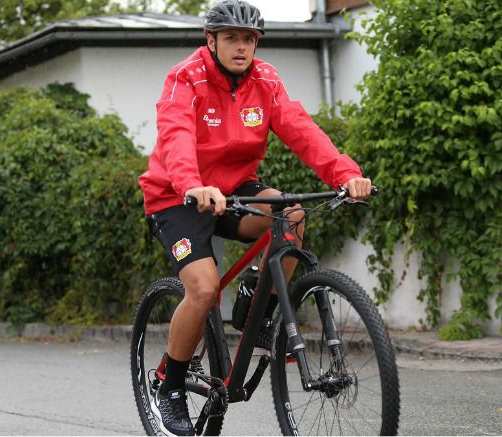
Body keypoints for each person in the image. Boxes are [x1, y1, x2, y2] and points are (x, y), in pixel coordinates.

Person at [138, 0, 371, 434]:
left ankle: (257, 312)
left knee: (290, 214)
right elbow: (175, 135)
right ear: (211, 41)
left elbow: (302, 130)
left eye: (249, 39)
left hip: (234, 190)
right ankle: (169, 384)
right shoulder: (185, 78)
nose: (241, 47)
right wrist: (192, 184)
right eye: (231, 38)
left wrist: (347, 174)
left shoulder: (265, 80)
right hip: (176, 195)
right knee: (203, 288)